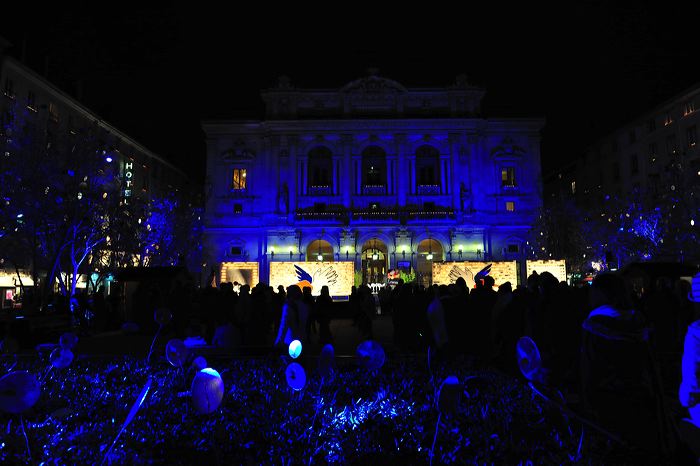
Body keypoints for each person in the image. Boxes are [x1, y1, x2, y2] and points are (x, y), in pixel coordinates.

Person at [580, 272, 672, 457]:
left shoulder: (594, 327)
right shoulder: (639, 322)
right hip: (642, 405)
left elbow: (589, 372)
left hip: (607, 408)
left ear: (599, 295)